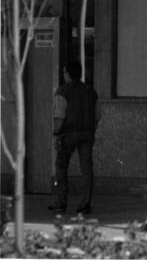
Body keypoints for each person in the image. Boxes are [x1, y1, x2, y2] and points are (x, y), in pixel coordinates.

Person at [49, 62, 100, 218]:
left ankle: (61, 202)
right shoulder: (91, 92)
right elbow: (98, 116)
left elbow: (59, 117)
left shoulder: (62, 91)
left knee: (61, 166)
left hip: (68, 134)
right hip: (87, 133)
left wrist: (56, 133)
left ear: (66, 73)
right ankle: (85, 204)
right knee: (87, 168)